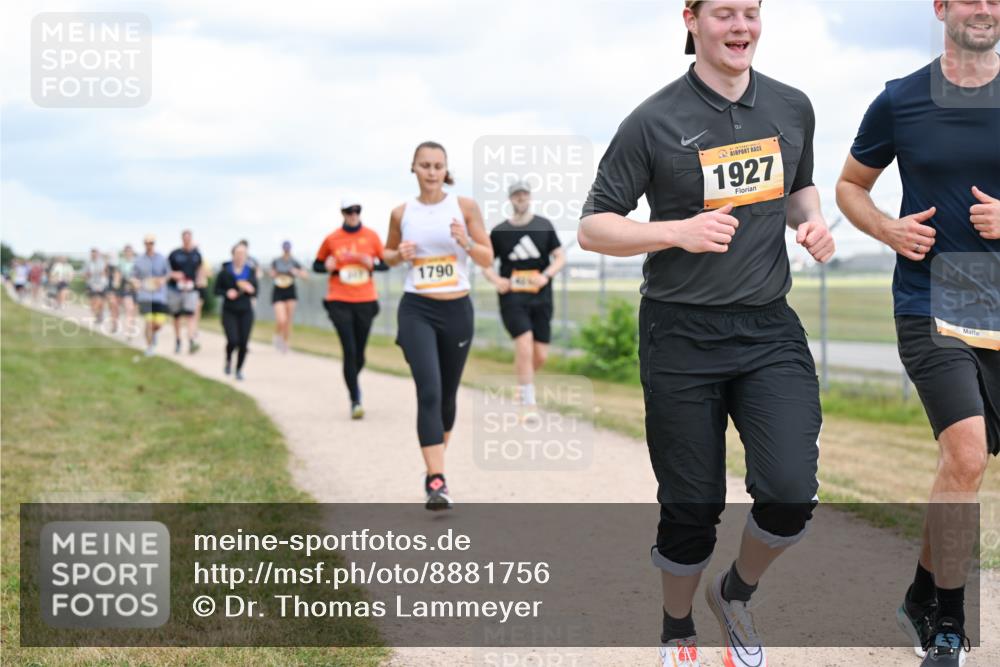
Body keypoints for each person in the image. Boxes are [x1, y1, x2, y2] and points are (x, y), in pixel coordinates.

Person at [578, 2, 835, 665]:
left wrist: (811, 223)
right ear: (690, 19)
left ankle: (736, 591)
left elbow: (799, 186)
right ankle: (676, 626)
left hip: (766, 328)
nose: (741, 26)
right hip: (679, 333)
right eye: (725, 13)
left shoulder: (792, 106)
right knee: (693, 504)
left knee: (789, 490)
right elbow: (594, 225)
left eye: (751, 12)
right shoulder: (654, 119)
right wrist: (675, 231)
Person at [836, 2, 999, 664]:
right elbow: (851, 187)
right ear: (941, 8)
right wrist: (887, 228)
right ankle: (949, 626)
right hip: (931, 303)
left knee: (957, 469)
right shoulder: (900, 99)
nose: (984, 7)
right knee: (966, 455)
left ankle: (918, 594)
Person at [383, 141, 493, 510]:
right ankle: (437, 479)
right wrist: (399, 255)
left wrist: (466, 241)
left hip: (456, 310)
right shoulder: (402, 212)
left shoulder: (464, 207)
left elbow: (487, 255)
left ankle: (434, 466)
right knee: (428, 390)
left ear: (446, 170)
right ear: (413, 168)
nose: (431, 171)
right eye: (425, 165)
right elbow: (387, 254)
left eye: (437, 166)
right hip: (417, 309)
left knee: (446, 396)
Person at [483, 181, 566, 407]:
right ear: (510, 199)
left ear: (530, 197)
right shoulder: (500, 231)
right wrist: (496, 279)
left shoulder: (544, 225)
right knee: (524, 341)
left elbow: (560, 257)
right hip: (512, 297)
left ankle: (522, 384)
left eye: (524, 194)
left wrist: (546, 276)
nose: (520, 198)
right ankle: (527, 401)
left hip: (541, 295)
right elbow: (486, 263)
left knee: (540, 355)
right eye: (516, 195)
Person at [314, 198, 386, 419]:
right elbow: (317, 264)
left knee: (360, 355)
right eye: (349, 211)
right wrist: (326, 266)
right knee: (349, 350)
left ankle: (352, 377)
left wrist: (370, 263)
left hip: (365, 299)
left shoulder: (372, 236)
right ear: (342, 213)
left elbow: (385, 263)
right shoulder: (332, 238)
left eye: (356, 210)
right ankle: (355, 399)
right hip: (339, 299)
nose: (353, 214)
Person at [215, 241, 258, 381]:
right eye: (238, 253)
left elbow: (256, 290)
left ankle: (239, 369)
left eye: (243, 254)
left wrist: (250, 290)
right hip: (229, 310)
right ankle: (228, 360)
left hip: (246, 310)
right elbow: (216, 290)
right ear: (233, 255)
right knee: (233, 340)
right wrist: (227, 292)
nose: (240, 256)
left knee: (244, 343)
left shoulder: (250, 271)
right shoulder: (225, 271)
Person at [131, 234, 170, 357]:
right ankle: (149, 347)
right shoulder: (139, 260)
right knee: (148, 322)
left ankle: (154, 334)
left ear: (154, 244)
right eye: (147, 243)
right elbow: (133, 276)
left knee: (158, 324)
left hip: (160, 296)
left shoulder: (162, 259)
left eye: (151, 243)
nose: (149, 245)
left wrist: (162, 280)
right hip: (145, 296)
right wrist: (135, 282)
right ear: (144, 244)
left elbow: (168, 274)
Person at [167, 230, 204, 354]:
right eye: (185, 238)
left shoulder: (196, 254)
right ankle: (178, 340)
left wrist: (199, 279)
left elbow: (200, 269)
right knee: (176, 316)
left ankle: (191, 340)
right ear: (182, 239)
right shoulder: (174, 254)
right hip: (175, 289)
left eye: (189, 238)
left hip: (191, 289)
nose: (187, 240)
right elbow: (166, 270)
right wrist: (174, 274)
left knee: (191, 315)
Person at [270, 240, 308, 353]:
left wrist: (297, 272)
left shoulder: (295, 262)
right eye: (285, 249)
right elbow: (271, 273)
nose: (286, 251)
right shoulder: (276, 261)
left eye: (288, 249)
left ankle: (285, 343)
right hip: (278, 290)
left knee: (288, 320)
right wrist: (275, 274)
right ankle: (277, 335)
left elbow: (305, 275)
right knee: (281, 319)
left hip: (290, 291)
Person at [115, 245, 138, 339]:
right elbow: (118, 274)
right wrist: (116, 283)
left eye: (130, 251)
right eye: (126, 251)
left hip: (136, 288)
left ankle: (131, 326)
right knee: (129, 309)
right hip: (126, 287)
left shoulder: (137, 261)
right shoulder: (121, 262)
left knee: (134, 311)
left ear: (132, 252)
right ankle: (128, 332)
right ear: (124, 252)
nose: (128, 253)